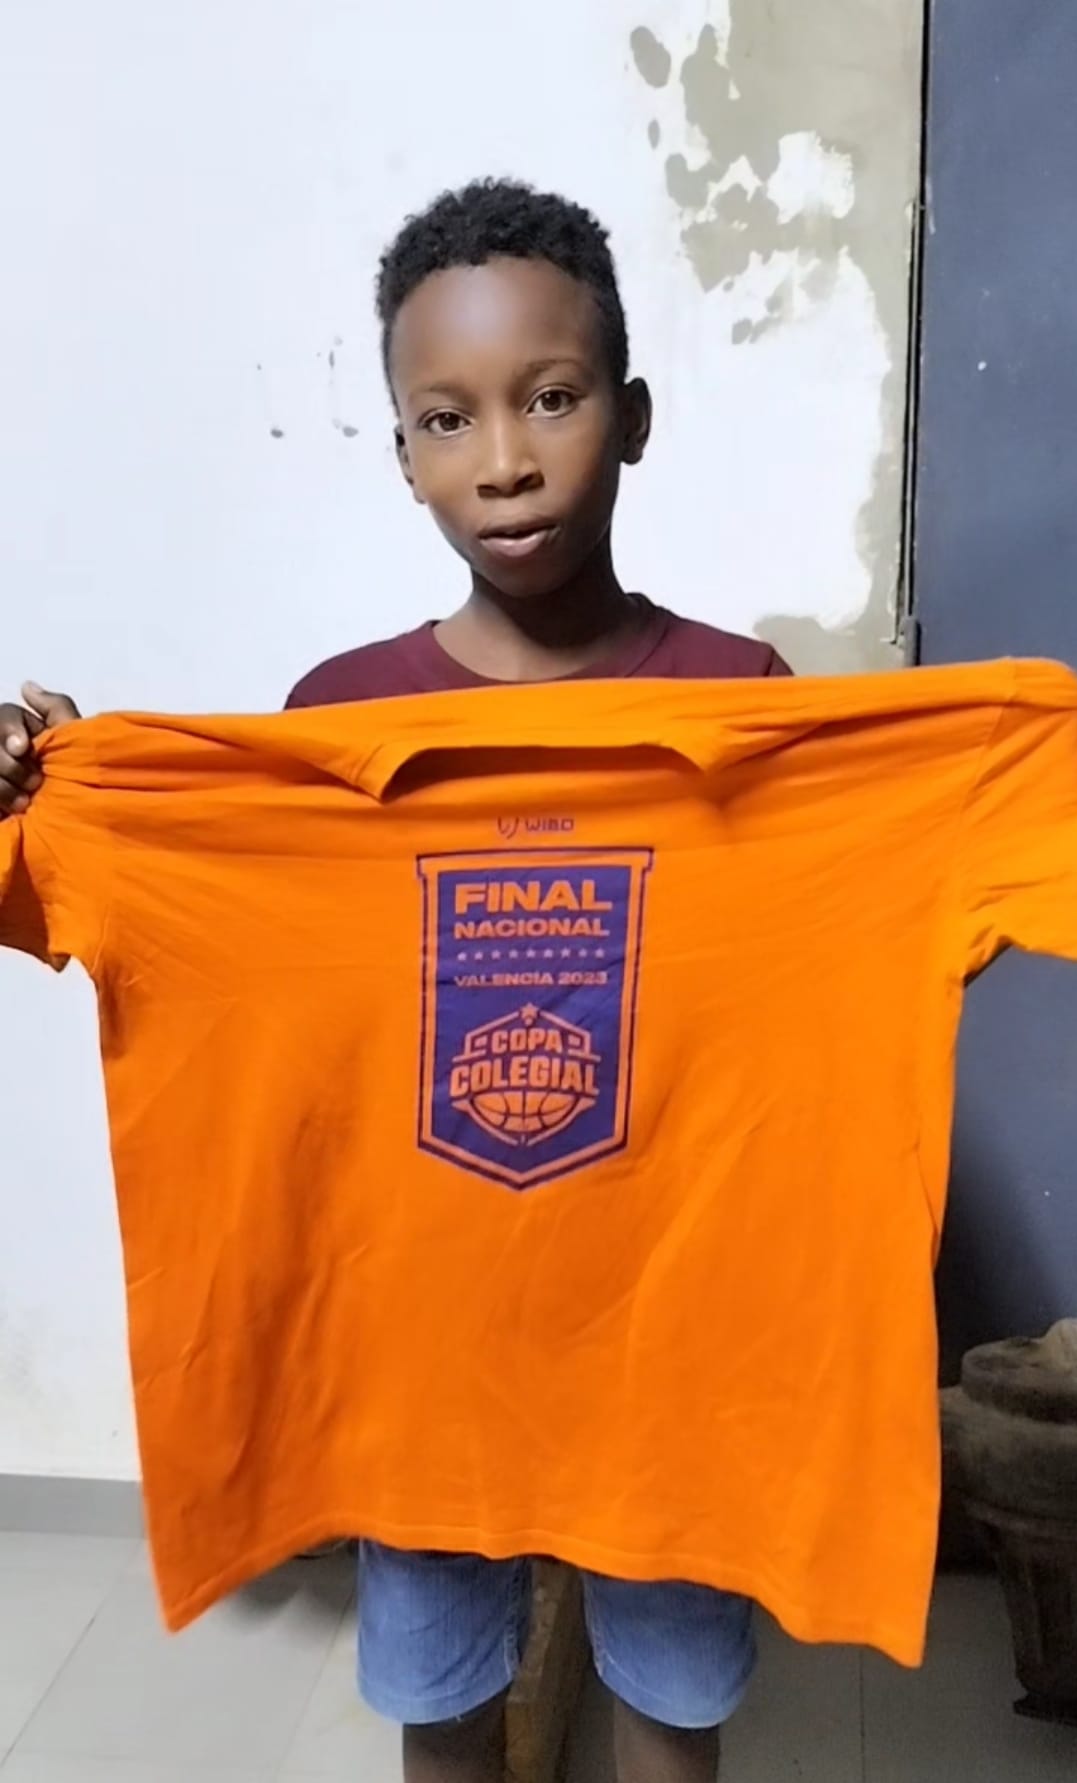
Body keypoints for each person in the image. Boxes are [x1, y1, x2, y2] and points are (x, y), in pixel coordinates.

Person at [0, 179, 790, 1783]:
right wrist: (71, 797)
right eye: (447, 418)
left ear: (633, 417)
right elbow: (227, 946)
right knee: (442, 1708)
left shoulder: (748, 700)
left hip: (672, 1326)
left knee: (673, 1706)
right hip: (421, 1336)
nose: (503, 459)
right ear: (404, 455)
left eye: (551, 398)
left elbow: (813, 973)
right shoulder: (337, 722)